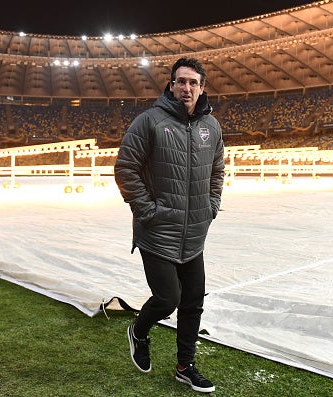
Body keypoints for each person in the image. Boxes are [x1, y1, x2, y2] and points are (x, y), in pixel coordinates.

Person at [114, 57, 224, 393]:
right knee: (168, 298)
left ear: (202, 88)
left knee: (193, 303)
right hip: (158, 231)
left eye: (193, 82)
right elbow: (125, 169)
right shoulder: (149, 121)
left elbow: (217, 170)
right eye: (180, 82)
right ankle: (139, 331)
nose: (186, 88)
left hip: (194, 234)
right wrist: (148, 211)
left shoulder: (212, 127)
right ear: (171, 85)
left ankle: (184, 367)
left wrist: (211, 206)